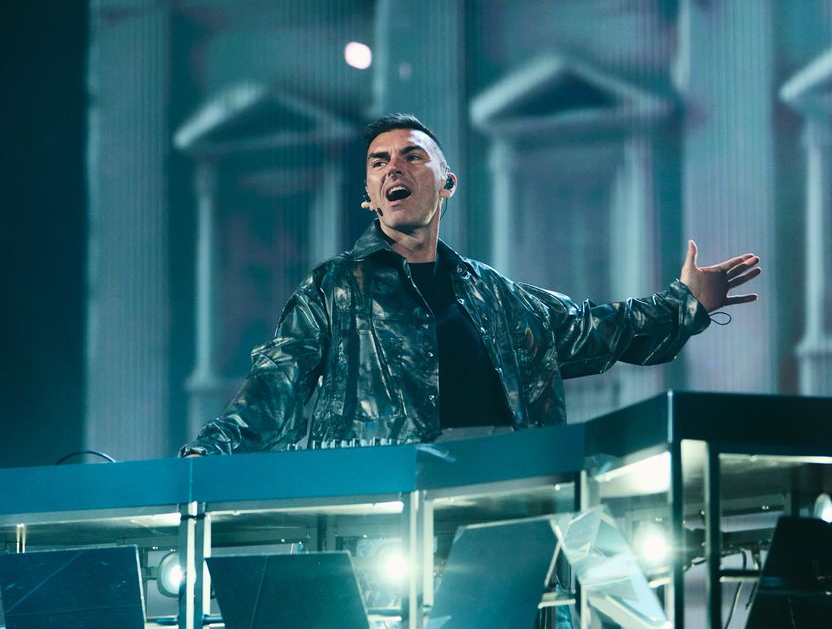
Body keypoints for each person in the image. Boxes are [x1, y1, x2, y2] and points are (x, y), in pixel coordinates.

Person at [182, 112, 761, 457]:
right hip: (383, 522)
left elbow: (599, 331)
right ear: (368, 194)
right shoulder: (335, 290)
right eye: (379, 163)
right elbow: (274, 386)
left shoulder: (498, 299)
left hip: (501, 509)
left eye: (411, 157)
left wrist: (687, 303)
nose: (393, 169)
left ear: (447, 182)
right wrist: (207, 454)